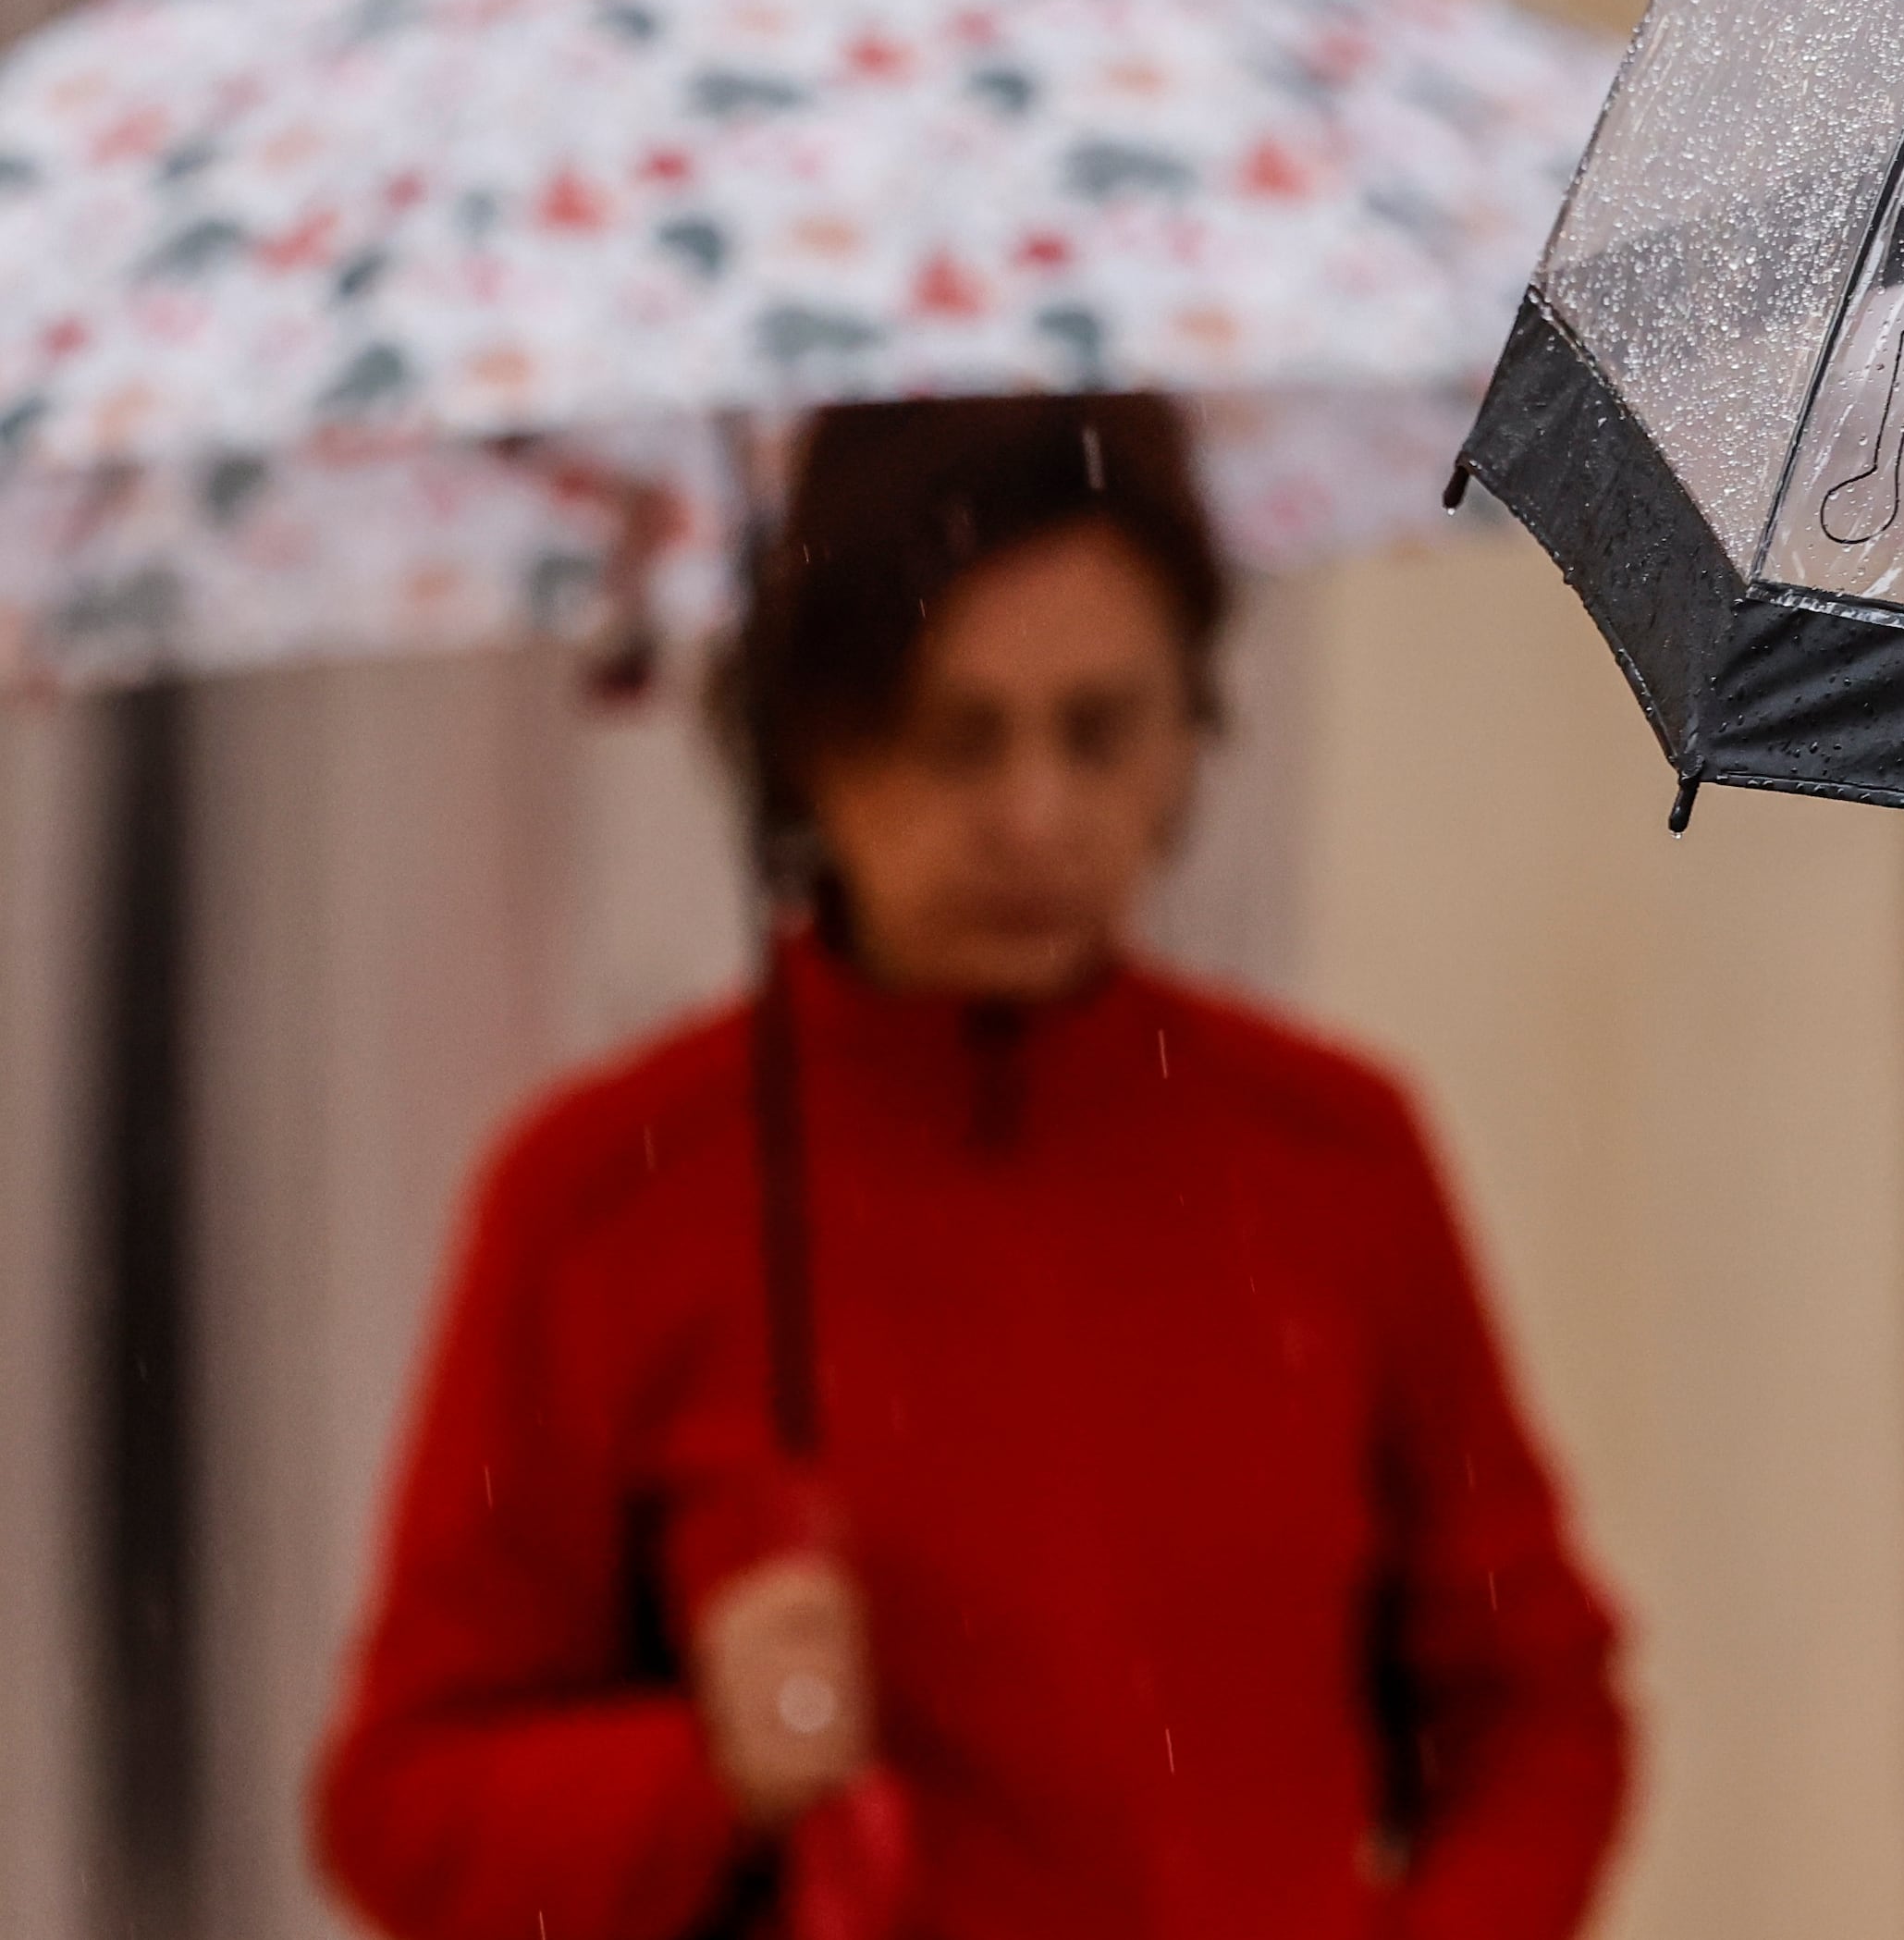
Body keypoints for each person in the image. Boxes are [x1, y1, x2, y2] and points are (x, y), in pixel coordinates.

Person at [315, 396, 1629, 1938]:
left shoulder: (1333, 1156)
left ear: (1189, 724)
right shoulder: (606, 1194)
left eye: (1099, 726)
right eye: (956, 734)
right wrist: (701, 1773)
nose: (1036, 814)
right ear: (810, 734)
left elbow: (1533, 1703)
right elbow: (400, 1808)